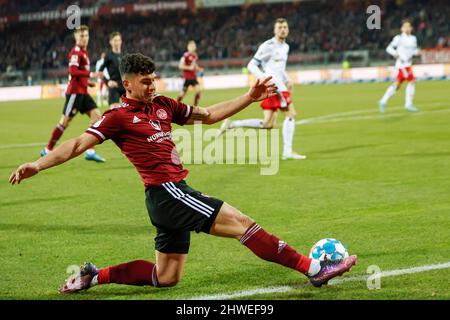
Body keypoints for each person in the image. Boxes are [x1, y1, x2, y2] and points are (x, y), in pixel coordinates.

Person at [10, 53, 357, 294]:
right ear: (126, 84)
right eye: (145, 82)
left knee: (167, 277)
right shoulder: (116, 117)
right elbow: (76, 145)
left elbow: (209, 115)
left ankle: (93, 276)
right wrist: (37, 165)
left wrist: (248, 98)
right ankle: (314, 269)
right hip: (166, 193)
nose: (152, 85)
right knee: (242, 223)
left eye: (154, 79)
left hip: (171, 195)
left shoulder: (163, 105)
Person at [218, 18, 305, 160]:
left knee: (268, 124)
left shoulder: (285, 47)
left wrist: (287, 79)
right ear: (274, 30)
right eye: (280, 27)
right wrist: (265, 79)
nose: (283, 29)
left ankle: (232, 124)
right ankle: (287, 152)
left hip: (280, 85)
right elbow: (251, 65)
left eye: (285, 27)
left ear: (288, 29)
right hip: (273, 86)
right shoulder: (268, 45)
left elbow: (279, 68)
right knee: (291, 114)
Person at [40, 25, 105, 162]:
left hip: (83, 92)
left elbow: (78, 75)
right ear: (76, 37)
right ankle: (48, 149)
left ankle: (90, 151)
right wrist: (91, 74)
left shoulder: (84, 52)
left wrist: (87, 82)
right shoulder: (76, 52)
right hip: (75, 94)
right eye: (81, 36)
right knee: (64, 122)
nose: (84, 38)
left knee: (97, 119)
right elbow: (73, 71)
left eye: (86, 35)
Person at [378, 20, 420, 113]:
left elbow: (413, 50)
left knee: (397, 85)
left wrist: (417, 52)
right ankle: (408, 104)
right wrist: (395, 53)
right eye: (405, 26)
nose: (407, 28)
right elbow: (389, 48)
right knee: (412, 81)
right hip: (402, 64)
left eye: (409, 26)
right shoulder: (399, 38)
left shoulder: (413, 38)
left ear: (411, 28)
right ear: (402, 29)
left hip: (408, 64)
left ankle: (383, 101)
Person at [99, 32, 125, 109]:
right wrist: (108, 81)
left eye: (118, 40)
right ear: (111, 42)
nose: (117, 42)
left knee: (131, 111)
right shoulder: (108, 56)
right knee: (115, 111)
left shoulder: (124, 55)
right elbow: (100, 72)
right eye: (115, 40)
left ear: (121, 41)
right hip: (114, 87)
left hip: (125, 86)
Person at [177, 40, 203, 106]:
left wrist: (198, 69)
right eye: (191, 46)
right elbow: (180, 66)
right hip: (187, 78)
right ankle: (175, 105)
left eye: (194, 46)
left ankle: (195, 107)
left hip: (193, 77)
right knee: (182, 94)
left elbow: (194, 65)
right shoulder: (185, 55)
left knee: (198, 91)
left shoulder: (195, 55)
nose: (193, 47)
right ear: (188, 47)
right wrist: (189, 68)